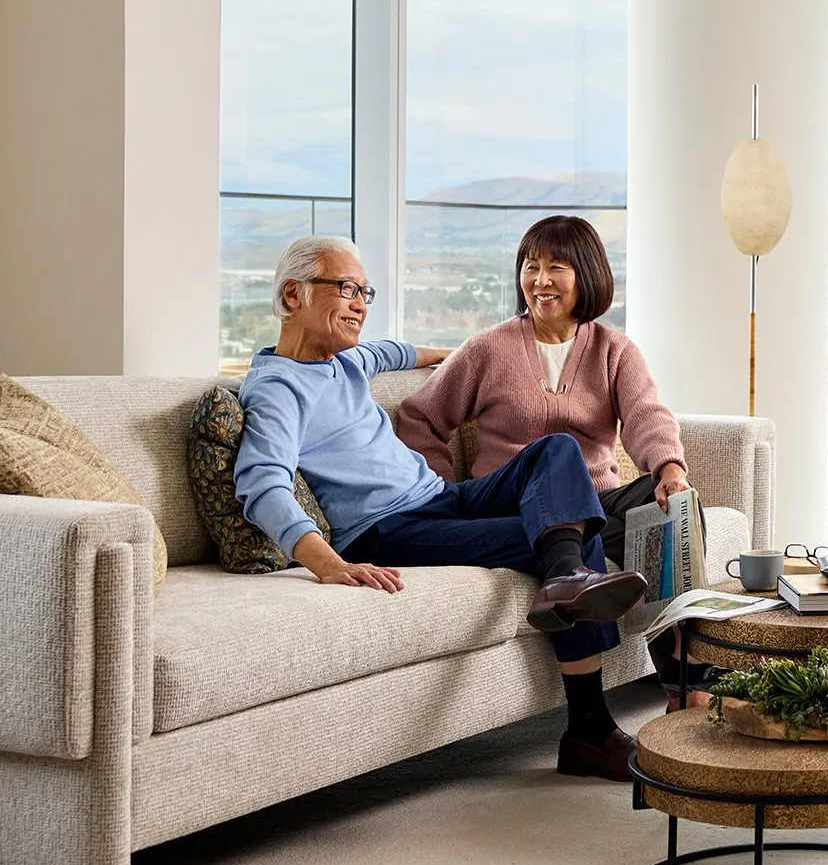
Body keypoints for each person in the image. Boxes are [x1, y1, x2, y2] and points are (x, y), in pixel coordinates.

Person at [235, 234, 651, 782]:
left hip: (439, 497)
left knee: (556, 450)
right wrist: (328, 563)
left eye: (365, 292)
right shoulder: (277, 389)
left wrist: (459, 355)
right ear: (294, 295)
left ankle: (566, 578)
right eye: (347, 289)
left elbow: (395, 352)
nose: (360, 304)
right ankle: (589, 731)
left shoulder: (345, 361)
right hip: (385, 529)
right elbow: (261, 484)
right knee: (571, 534)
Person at [396, 215, 712, 708]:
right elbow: (421, 418)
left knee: (677, 513)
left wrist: (671, 470)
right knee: (571, 483)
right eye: (531, 266)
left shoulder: (613, 350)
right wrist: (443, 492)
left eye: (556, 267)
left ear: (586, 275)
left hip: (596, 502)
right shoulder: (487, 348)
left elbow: (646, 416)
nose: (540, 281)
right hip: (516, 506)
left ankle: (683, 683)